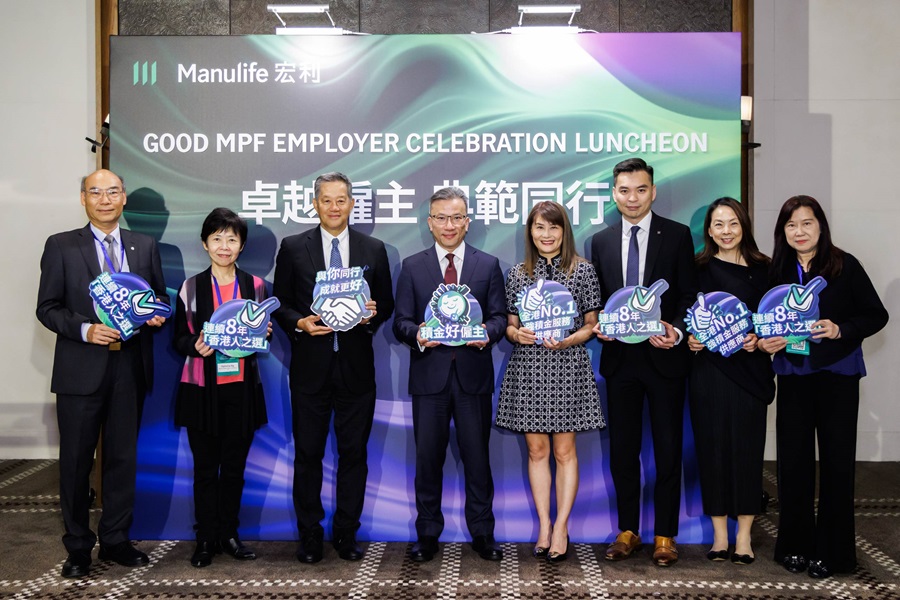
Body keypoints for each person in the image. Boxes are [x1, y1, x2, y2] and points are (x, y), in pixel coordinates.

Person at [36, 169, 168, 578]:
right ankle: (78, 547)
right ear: (83, 198)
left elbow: (157, 296)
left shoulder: (144, 245)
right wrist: (85, 329)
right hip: (80, 368)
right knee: (76, 462)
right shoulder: (61, 245)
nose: (105, 199)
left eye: (113, 192)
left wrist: (155, 315)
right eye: (96, 192)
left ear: (123, 198)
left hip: (129, 365)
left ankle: (115, 538)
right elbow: (48, 307)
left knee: (122, 458)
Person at [758, 195, 888, 579]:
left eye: (806, 223)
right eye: (791, 225)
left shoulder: (845, 265)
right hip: (794, 374)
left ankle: (835, 552)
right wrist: (765, 341)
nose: (799, 231)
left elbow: (876, 315)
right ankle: (795, 546)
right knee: (792, 463)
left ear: (820, 226)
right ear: (782, 231)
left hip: (837, 375)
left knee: (837, 464)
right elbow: (763, 322)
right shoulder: (776, 271)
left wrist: (840, 329)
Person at [273, 172, 394, 564]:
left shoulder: (373, 249)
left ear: (352, 204)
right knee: (308, 454)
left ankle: (346, 533)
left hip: (356, 370)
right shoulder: (294, 247)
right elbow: (280, 301)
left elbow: (386, 303)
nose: (334, 207)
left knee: (353, 454)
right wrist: (300, 322)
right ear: (315, 204)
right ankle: (310, 535)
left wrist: (372, 314)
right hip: (310, 369)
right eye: (326, 200)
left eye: (341, 200)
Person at [589, 157, 697, 567]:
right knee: (623, 451)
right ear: (614, 193)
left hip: (664, 357)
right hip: (620, 360)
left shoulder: (678, 235)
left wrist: (677, 330)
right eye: (624, 190)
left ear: (652, 191)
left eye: (640, 190)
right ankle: (628, 531)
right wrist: (599, 326)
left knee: (668, 449)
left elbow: (688, 295)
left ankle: (665, 534)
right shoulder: (600, 241)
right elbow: (599, 302)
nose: (632, 198)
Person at [393, 186, 507, 563]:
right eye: (441, 218)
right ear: (430, 222)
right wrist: (418, 334)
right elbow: (400, 322)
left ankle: (483, 532)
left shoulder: (486, 264)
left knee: (478, 459)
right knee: (428, 459)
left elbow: (498, 317)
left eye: (456, 217)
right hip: (430, 378)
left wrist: (487, 334)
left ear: (467, 222)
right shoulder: (413, 266)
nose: (449, 225)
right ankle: (427, 533)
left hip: (473, 376)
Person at [496, 201, 605, 563]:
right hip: (529, 367)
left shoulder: (583, 271)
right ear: (530, 232)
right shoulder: (517, 274)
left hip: (568, 366)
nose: (547, 234)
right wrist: (517, 334)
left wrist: (573, 338)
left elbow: (592, 324)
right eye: (539, 227)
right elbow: (510, 325)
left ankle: (561, 526)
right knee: (537, 451)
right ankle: (544, 525)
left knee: (564, 452)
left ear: (564, 231)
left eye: (553, 227)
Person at [173, 208, 270, 568]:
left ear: (241, 245)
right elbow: (178, 338)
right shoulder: (190, 287)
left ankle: (229, 534)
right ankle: (205, 538)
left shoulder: (255, 286)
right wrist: (194, 345)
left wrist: (264, 332)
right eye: (217, 239)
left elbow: (261, 336)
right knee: (204, 470)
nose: (224, 246)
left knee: (233, 469)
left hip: (241, 388)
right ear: (205, 243)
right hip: (201, 388)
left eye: (232, 239)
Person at [686, 198, 775, 565]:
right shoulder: (696, 269)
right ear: (709, 230)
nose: (726, 231)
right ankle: (720, 535)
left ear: (744, 226)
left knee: (748, 454)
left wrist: (760, 338)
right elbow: (684, 316)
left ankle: (744, 536)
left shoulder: (766, 269)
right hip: (708, 372)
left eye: (733, 223)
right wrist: (689, 339)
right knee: (713, 452)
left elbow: (774, 318)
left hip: (750, 373)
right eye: (719, 224)